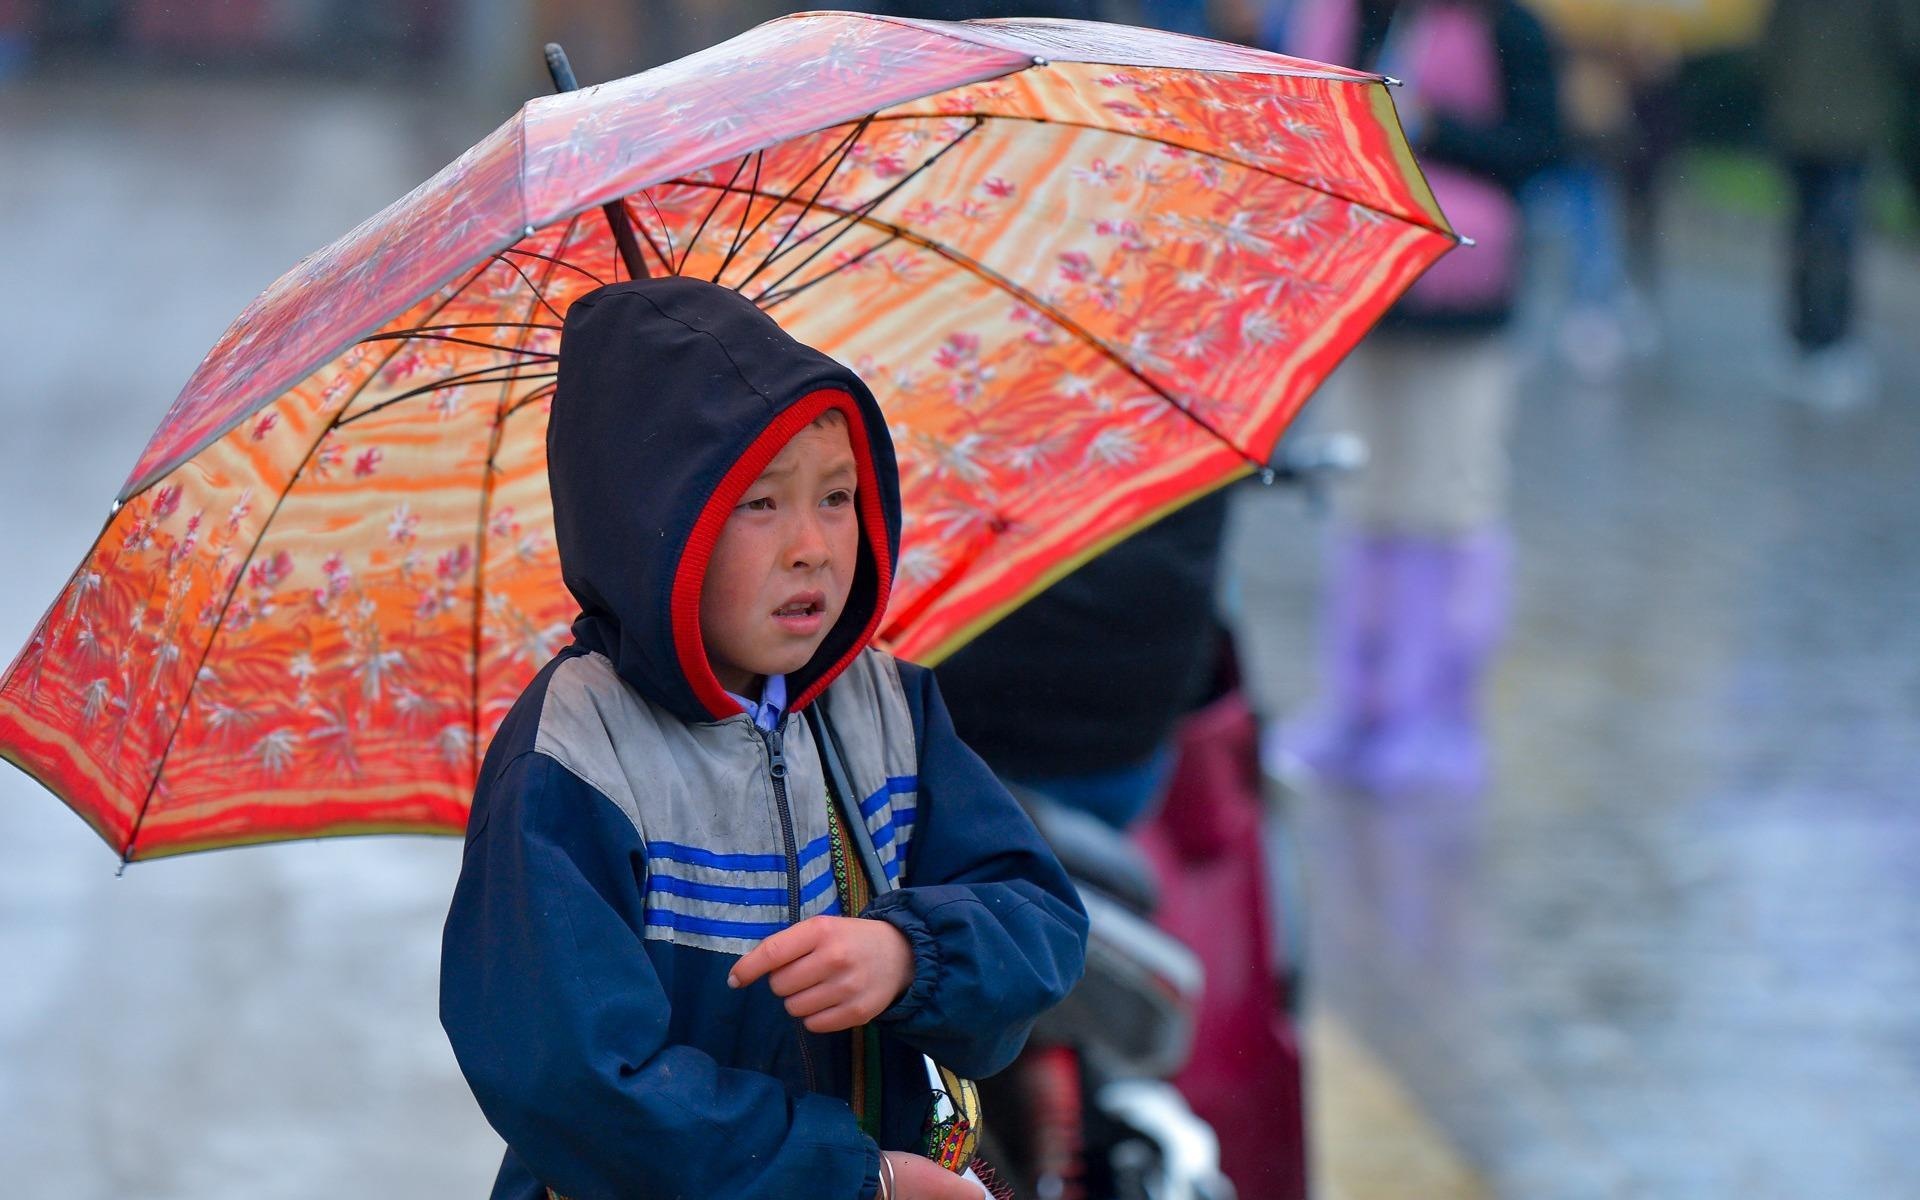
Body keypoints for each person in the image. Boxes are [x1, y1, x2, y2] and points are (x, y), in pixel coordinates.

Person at [440, 277, 1089, 1200]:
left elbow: (1039, 915)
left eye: (837, 496)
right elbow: (574, 1081)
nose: (814, 547)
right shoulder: (573, 758)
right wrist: (851, 1180)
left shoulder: (889, 707)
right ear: (649, 526)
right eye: (758, 503)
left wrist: (910, 955)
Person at [1269, 0, 1559, 796]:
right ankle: (1359, 707)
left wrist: (1437, 129)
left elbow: (1540, 147)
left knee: (1449, 504)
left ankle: (1439, 717)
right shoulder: (1349, 15)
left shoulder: (1506, 25)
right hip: (1366, 287)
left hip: (1464, 302)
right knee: (1365, 502)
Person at [1762, 0, 1920, 411]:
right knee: (1837, 234)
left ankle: (1804, 338)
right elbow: (1907, 37)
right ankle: (1830, 343)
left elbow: (1768, 43)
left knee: (1807, 230)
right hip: (1851, 123)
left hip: (1798, 120)